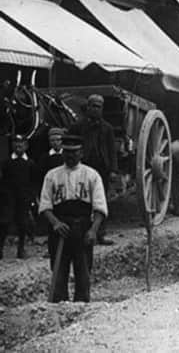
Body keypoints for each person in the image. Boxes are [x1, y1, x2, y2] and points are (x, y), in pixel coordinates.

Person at [38, 134, 107, 302]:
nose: (71, 155)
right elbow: (45, 206)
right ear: (62, 153)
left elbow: (99, 207)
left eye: (75, 152)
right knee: (59, 270)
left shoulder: (92, 175)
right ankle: (58, 308)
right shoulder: (52, 175)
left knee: (83, 271)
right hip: (59, 228)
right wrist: (55, 223)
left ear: (81, 153)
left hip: (82, 228)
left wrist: (93, 231)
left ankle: (81, 307)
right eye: (67, 152)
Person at [69, 94, 117, 245]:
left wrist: (113, 169)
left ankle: (101, 233)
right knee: (82, 199)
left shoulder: (107, 128)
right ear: (87, 107)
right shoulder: (78, 126)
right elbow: (70, 146)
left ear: (102, 109)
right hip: (83, 167)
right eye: (93, 106)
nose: (96, 109)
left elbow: (112, 150)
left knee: (100, 200)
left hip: (101, 168)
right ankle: (83, 233)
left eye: (99, 107)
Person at [1, 135, 36, 259]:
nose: (18, 146)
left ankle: (21, 248)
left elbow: (33, 182)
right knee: (4, 222)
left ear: (26, 146)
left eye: (21, 144)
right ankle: (0, 248)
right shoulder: (6, 163)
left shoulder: (30, 163)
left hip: (23, 198)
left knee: (23, 223)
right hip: (9, 197)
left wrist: (32, 197)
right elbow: (3, 180)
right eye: (16, 143)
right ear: (12, 146)